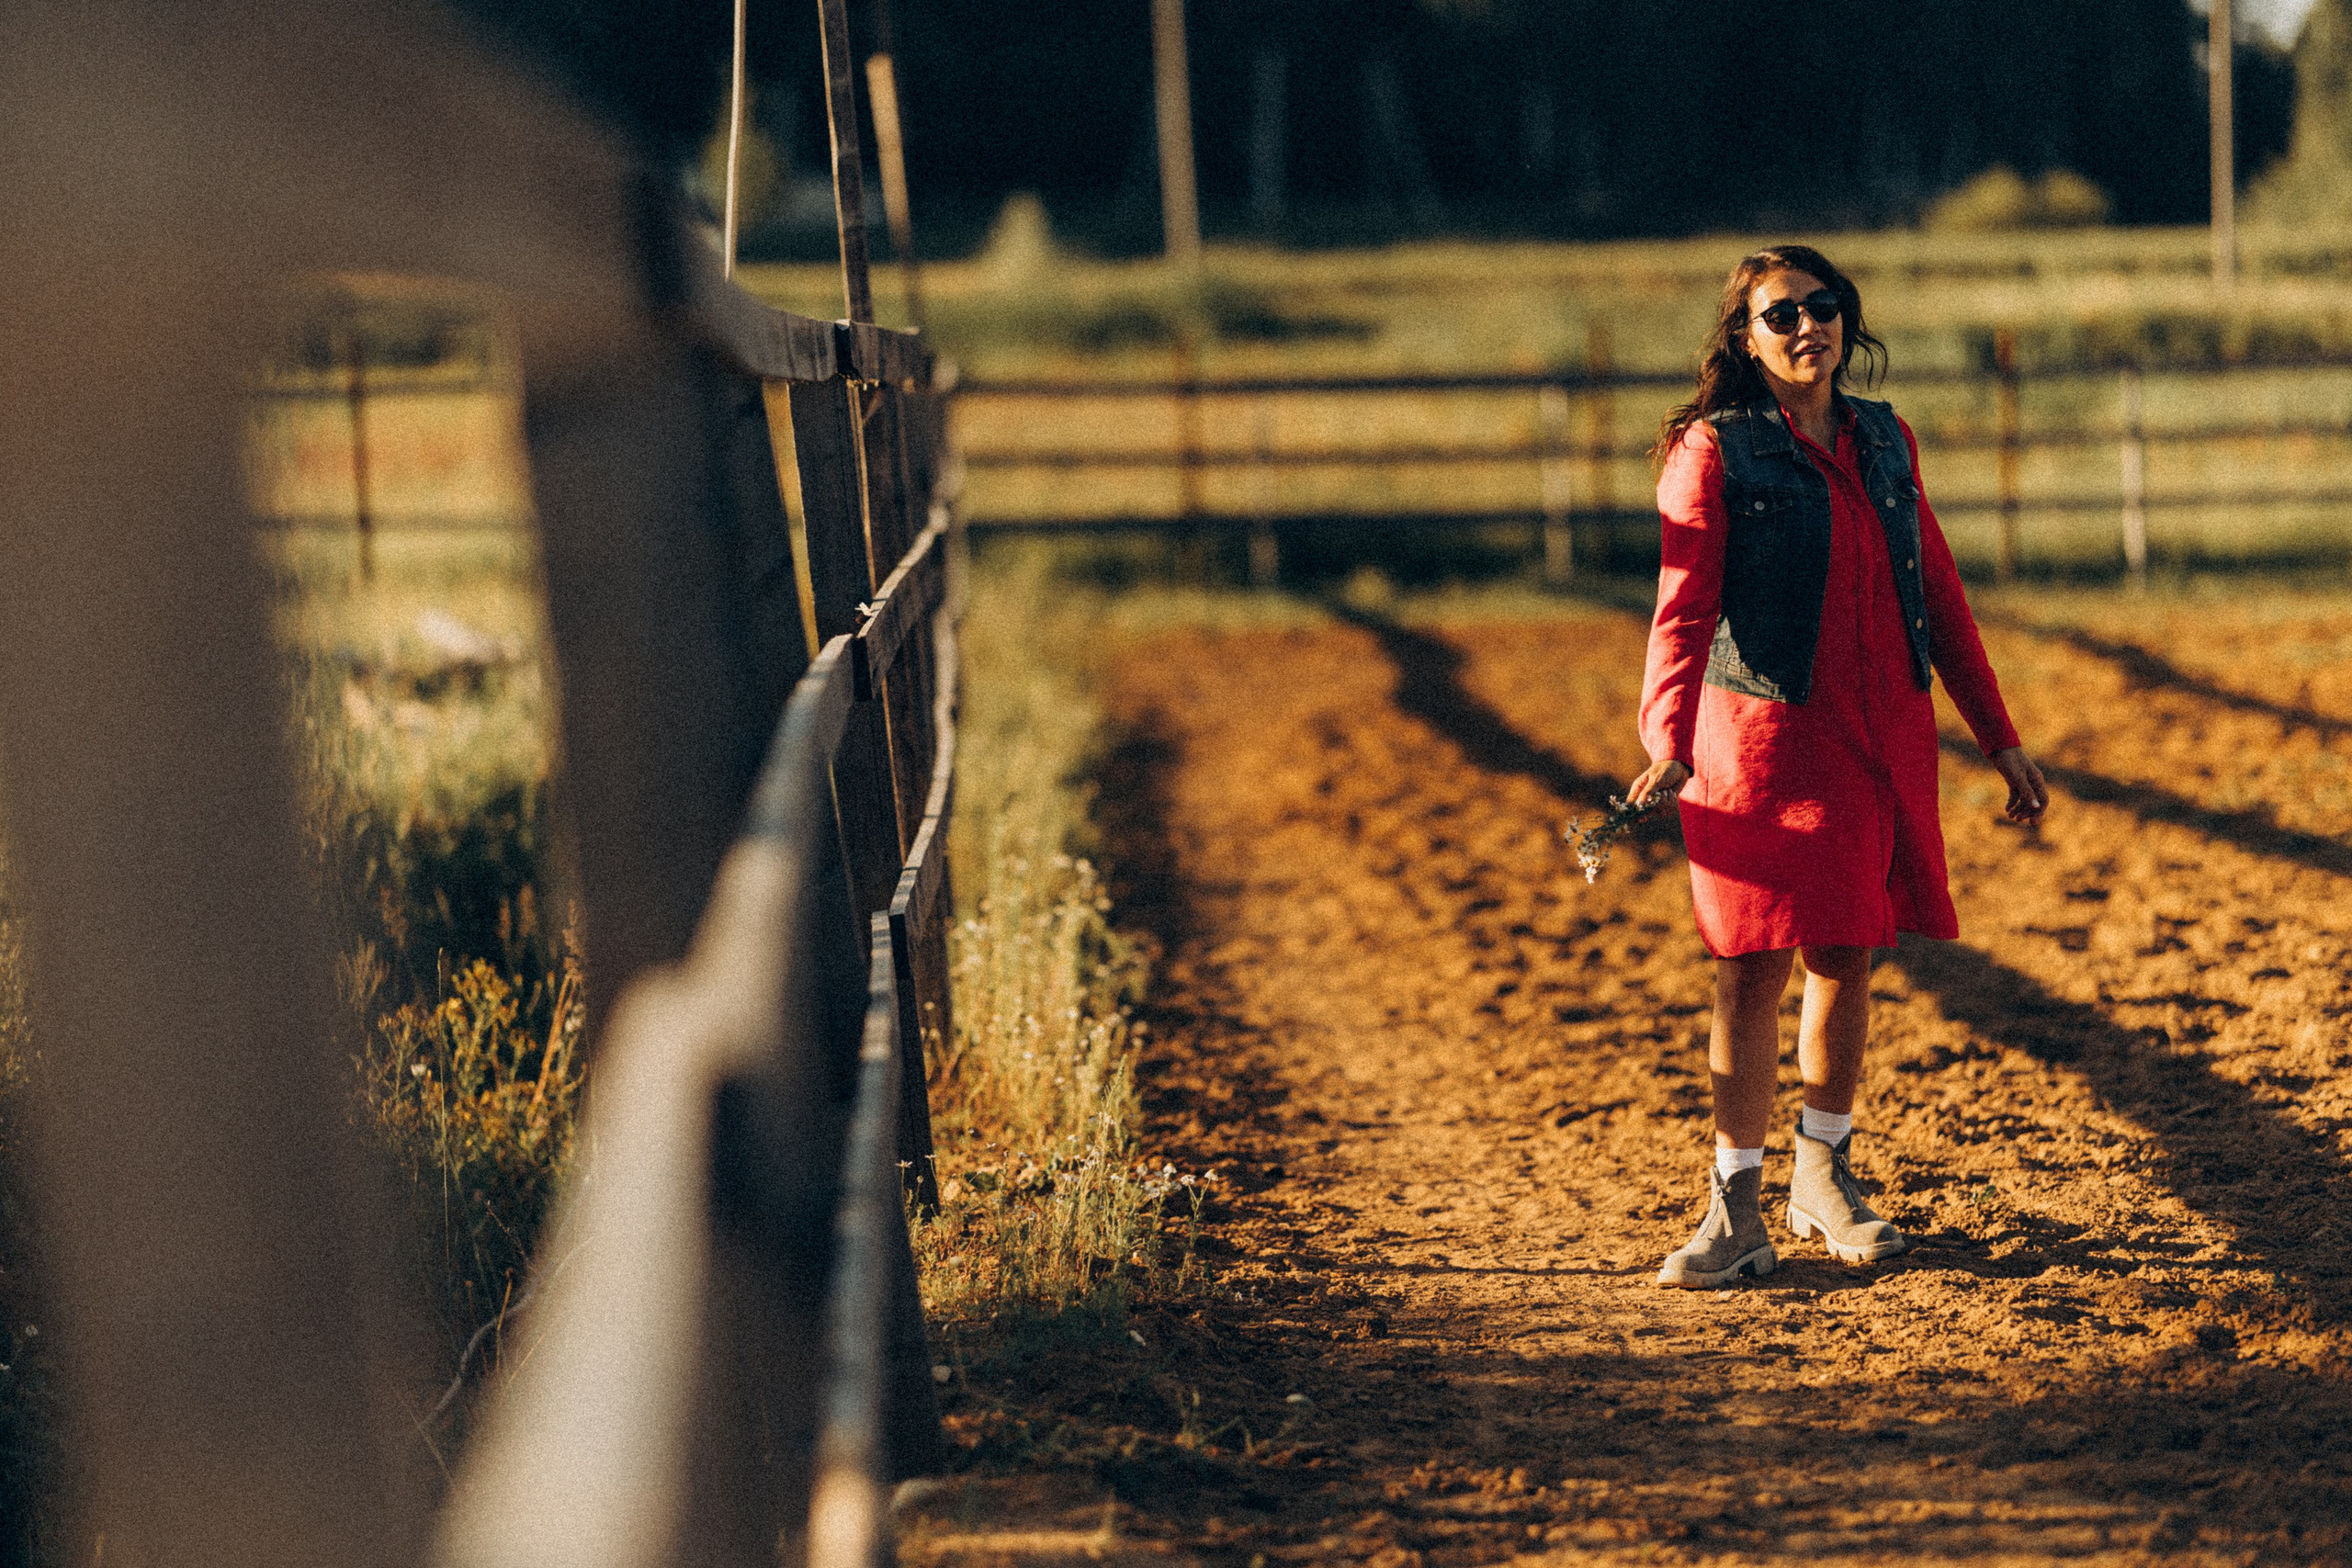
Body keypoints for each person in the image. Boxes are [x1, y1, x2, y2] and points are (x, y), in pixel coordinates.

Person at [1627, 245, 2048, 1289]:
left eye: (1824, 308)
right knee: (1749, 966)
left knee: (1847, 953)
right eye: (1781, 315)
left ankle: (1821, 1175)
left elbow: (1938, 594)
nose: (1806, 327)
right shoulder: (1713, 450)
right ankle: (1732, 1208)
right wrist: (1666, 744)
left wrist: (1998, 735)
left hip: (1879, 736)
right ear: (1743, 336)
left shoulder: (1885, 439)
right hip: (1762, 743)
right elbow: (1681, 611)